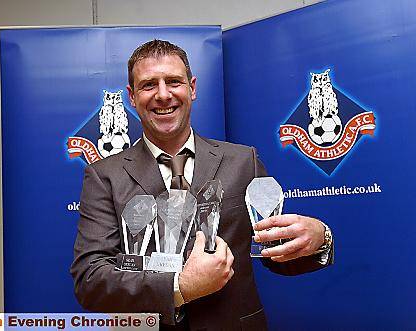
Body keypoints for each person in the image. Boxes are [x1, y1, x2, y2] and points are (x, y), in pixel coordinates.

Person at [70, 40, 333, 331]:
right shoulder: (104, 175)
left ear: (192, 88)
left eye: (173, 81)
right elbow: (91, 279)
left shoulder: (243, 160)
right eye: (148, 85)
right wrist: (180, 287)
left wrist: (319, 240)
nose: (163, 94)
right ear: (132, 96)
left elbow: (275, 252)